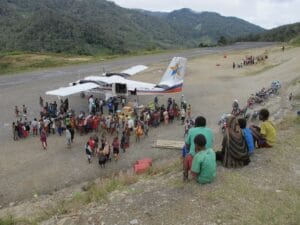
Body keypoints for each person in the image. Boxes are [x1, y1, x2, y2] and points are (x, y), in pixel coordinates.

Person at [183, 116, 214, 181]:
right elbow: (211, 142)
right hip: (208, 157)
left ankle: (185, 177)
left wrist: (190, 151)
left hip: (199, 176)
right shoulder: (210, 131)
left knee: (187, 156)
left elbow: (187, 145)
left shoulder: (191, 130)